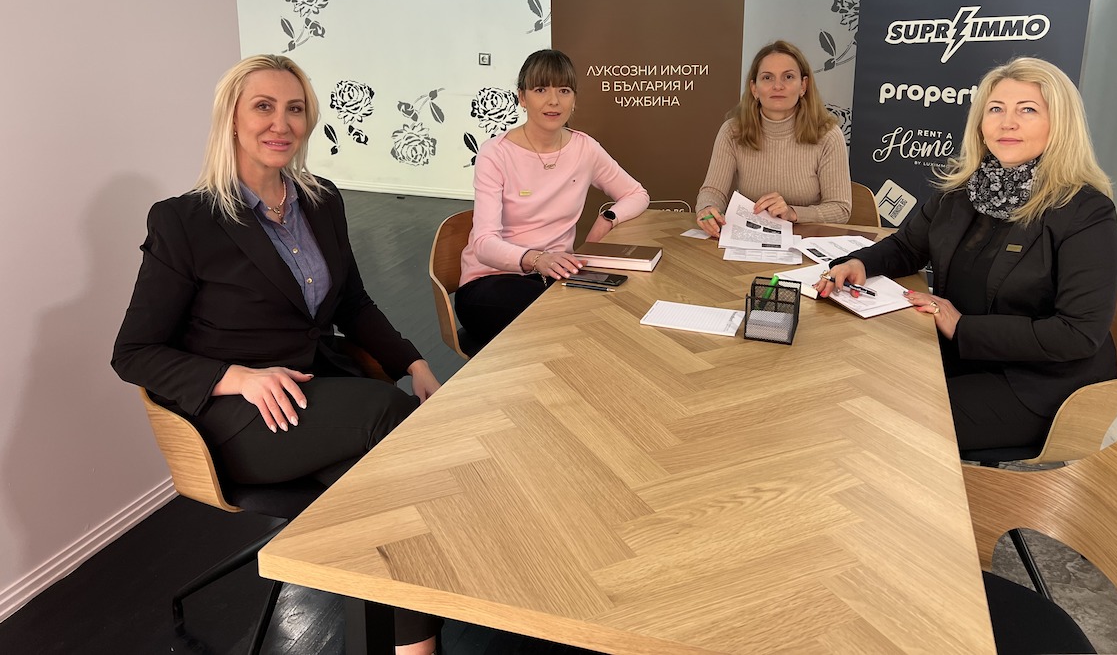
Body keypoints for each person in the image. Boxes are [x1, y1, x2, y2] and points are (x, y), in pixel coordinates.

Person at [112, 55, 442, 655]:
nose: (281, 123)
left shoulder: (321, 200)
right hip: (240, 417)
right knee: (387, 417)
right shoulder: (185, 221)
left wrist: (413, 363)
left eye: (295, 109)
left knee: (379, 496)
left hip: (318, 393)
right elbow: (133, 353)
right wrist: (236, 377)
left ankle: (411, 647)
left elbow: (353, 303)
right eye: (263, 107)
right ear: (231, 118)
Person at [816, 57, 1117, 453]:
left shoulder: (1086, 212)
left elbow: (1078, 334)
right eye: (995, 109)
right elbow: (908, 246)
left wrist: (963, 327)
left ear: (1060, 124)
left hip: (1039, 385)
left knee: (884, 426)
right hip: (958, 355)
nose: (1007, 123)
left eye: (1027, 110)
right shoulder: (963, 191)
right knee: (853, 383)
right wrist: (859, 262)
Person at [457, 49, 650, 347]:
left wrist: (608, 218)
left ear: (574, 98)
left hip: (555, 277)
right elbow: (483, 244)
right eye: (540, 90)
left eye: (564, 90)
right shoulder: (495, 153)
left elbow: (637, 194)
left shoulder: (585, 148)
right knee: (574, 319)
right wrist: (537, 259)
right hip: (491, 281)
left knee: (614, 306)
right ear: (522, 97)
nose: (554, 101)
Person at [695, 40, 851, 237]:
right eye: (767, 78)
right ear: (754, 88)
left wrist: (793, 213)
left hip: (806, 240)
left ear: (803, 86)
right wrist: (707, 209)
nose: (778, 86)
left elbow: (840, 209)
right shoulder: (732, 131)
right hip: (750, 238)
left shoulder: (828, 134)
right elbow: (713, 191)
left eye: (788, 77)